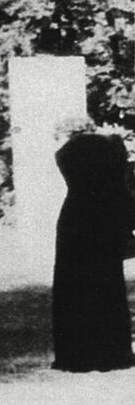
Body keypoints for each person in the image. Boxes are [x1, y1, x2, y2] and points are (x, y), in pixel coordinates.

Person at [50, 119, 135, 372]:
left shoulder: (65, 153)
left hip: (75, 219)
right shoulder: (113, 148)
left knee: (73, 285)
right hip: (105, 219)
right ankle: (112, 350)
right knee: (107, 283)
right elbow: (122, 188)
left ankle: (76, 353)